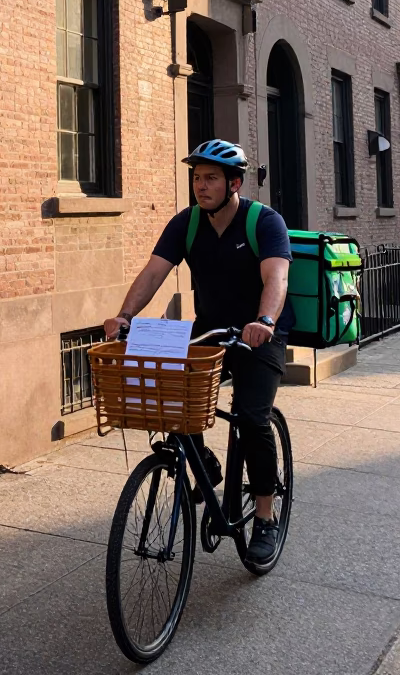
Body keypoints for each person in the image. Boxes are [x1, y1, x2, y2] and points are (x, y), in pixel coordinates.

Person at [103, 139, 294, 565]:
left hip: (261, 332)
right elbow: (154, 271)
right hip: (210, 333)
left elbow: (276, 278)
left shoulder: (264, 222)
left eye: (211, 178)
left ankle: (264, 515)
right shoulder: (186, 224)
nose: (201, 186)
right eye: (196, 178)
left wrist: (264, 321)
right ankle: (204, 461)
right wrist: (125, 316)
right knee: (170, 401)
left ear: (235, 183)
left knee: (250, 416)